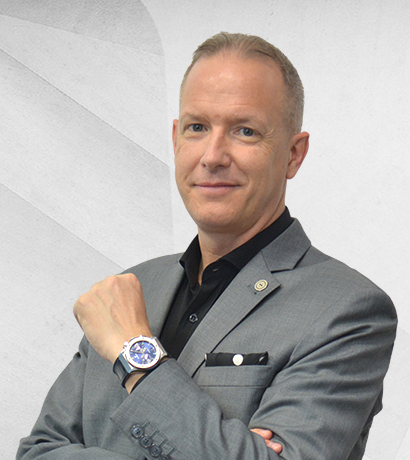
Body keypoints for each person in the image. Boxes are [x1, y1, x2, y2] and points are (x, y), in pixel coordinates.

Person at [17, 32, 397, 460]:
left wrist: (135, 353)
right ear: (176, 138)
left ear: (294, 154)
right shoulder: (131, 288)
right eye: (197, 127)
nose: (213, 155)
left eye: (245, 131)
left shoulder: (348, 310)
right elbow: (36, 453)